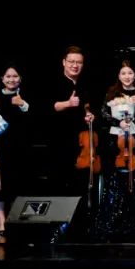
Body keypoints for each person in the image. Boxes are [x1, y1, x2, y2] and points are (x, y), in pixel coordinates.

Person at [95, 61, 135, 238]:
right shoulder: (111, 92)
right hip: (115, 141)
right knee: (114, 181)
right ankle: (111, 221)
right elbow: (103, 113)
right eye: (123, 73)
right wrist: (118, 122)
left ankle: (133, 221)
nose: (127, 76)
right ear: (119, 76)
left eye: (130, 73)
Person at [48, 46, 96, 198]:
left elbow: (87, 106)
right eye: (71, 62)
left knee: (81, 181)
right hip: (60, 139)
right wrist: (67, 103)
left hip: (81, 141)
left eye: (79, 62)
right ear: (64, 62)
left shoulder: (85, 84)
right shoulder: (53, 82)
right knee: (61, 180)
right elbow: (49, 106)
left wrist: (89, 114)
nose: (75, 65)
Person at [0, 64, 32, 235]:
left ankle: (18, 220)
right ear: (2, 79)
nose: (11, 79)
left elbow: (35, 117)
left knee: (19, 182)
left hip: (21, 145)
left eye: (15, 76)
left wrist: (23, 104)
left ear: (20, 79)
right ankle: (1, 222)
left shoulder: (26, 94)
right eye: (8, 76)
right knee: (0, 184)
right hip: (0, 145)